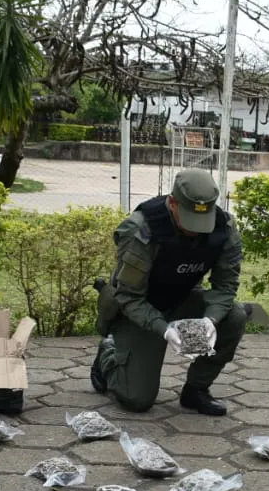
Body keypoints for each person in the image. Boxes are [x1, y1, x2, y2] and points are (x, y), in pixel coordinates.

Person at [91, 168, 247, 416]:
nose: (196, 230)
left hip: (181, 300)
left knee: (234, 316)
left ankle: (196, 389)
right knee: (137, 399)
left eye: (202, 221)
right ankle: (108, 355)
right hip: (137, 310)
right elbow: (129, 297)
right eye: (189, 220)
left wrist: (211, 319)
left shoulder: (224, 228)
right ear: (172, 203)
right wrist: (163, 329)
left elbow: (226, 286)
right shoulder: (142, 229)